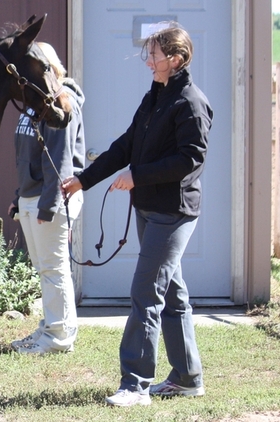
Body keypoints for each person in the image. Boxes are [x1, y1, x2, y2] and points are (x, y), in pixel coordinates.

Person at [62, 23, 212, 406]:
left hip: (173, 213)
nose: (149, 61)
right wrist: (83, 180)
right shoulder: (155, 98)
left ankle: (135, 384)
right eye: (148, 53)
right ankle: (187, 377)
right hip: (149, 208)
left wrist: (137, 176)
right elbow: (124, 146)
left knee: (146, 293)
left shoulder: (191, 103)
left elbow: (189, 160)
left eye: (155, 55)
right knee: (172, 295)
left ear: (176, 59)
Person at [9, 42, 86, 355]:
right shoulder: (35, 102)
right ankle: (51, 327)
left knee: (54, 268)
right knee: (45, 268)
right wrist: (19, 195)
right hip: (32, 194)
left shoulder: (61, 102)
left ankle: (59, 337)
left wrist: (50, 205)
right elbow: (27, 154)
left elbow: (60, 160)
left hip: (50, 197)